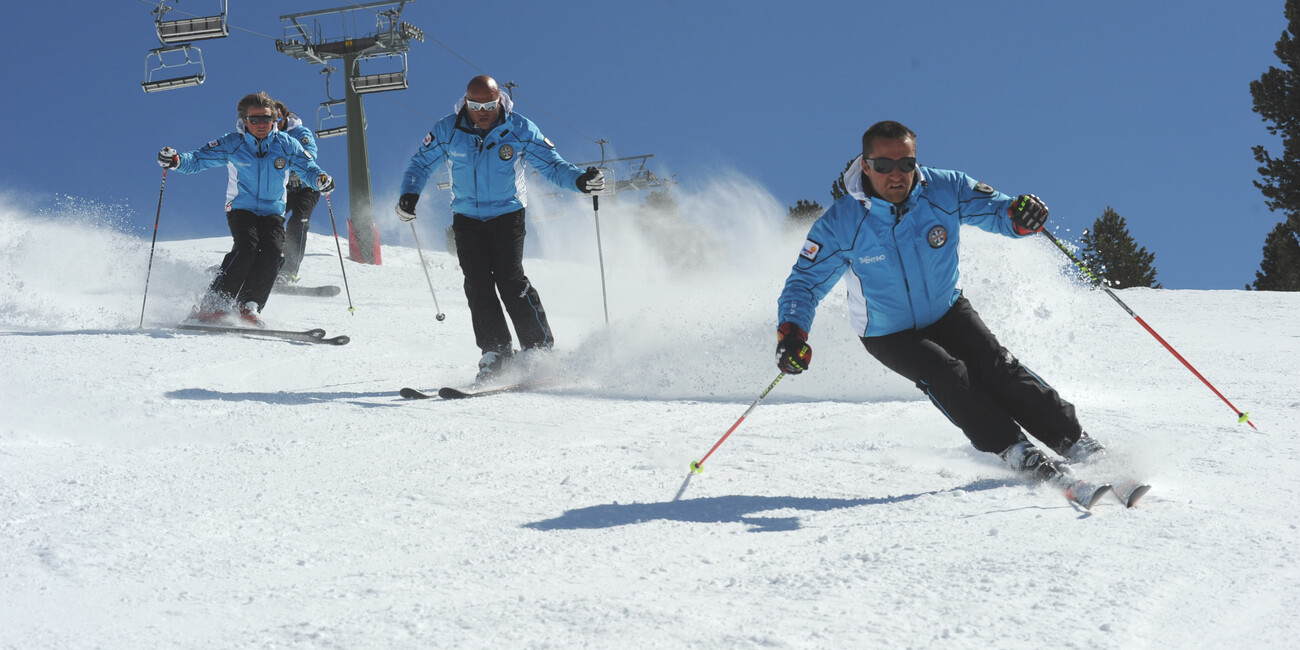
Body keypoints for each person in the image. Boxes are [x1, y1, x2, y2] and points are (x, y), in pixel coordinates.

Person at [775, 120, 1105, 486]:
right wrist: (792, 334)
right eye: (884, 166)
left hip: (947, 309)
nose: (896, 175)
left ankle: (1075, 441)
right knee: (948, 375)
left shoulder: (946, 188)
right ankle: (1014, 449)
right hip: (888, 331)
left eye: (906, 164)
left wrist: (1020, 216)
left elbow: (999, 212)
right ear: (865, 165)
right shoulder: (841, 222)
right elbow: (805, 283)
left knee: (999, 367)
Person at [396, 74, 605, 381]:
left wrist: (579, 181)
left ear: (500, 101)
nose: (482, 111)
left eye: (490, 105)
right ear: (465, 102)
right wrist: (409, 195)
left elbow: (551, 164)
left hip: (508, 213)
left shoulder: (519, 128)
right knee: (477, 283)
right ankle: (496, 353)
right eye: (476, 105)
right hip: (466, 217)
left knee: (509, 276)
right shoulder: (447, 129)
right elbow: (421, 164)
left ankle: (538, 348)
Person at [158, 91, 334, 327]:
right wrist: (177, 161)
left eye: (266, 119)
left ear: (274, 120)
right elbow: (199, 159)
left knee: (273, 252)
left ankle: (249, 305)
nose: (261, 125)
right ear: (245, 121)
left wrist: (320, 179)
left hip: (273, 210)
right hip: (242, 207)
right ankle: (213, 305)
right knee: (247, 248)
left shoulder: (286, 144)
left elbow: (308, 167)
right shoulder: (234, 143)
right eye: (255, 120)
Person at [272, 101, 322, 285]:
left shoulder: (300, 132)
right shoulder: (268, 135)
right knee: (267, 221)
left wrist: (295, 171)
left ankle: (289, 272)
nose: (275, 124)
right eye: (271, 119)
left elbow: (309, 153)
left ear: (284, 117)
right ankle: (254, 264)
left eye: (278, 119)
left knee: (298, 222)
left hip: (306, 187)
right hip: (282, 189)